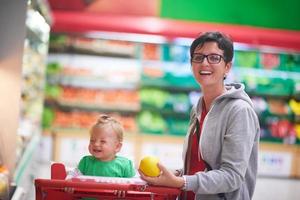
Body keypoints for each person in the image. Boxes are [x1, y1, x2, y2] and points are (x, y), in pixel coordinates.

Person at [139, 31, 260, 200]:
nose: (204, 63)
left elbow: (232, 177)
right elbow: (199, 166)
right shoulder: (198, 107)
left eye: (214, 58)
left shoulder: (240, 111)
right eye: (198, 57)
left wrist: (181, 182)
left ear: (227, 66)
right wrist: (174, 175)